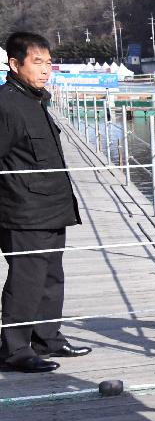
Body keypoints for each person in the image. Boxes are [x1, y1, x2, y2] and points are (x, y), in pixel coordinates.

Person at [0, 32, 91, 373]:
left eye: (48, 63)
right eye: (37, 63)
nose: (45, 70)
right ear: (14, 63)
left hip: (52, 207)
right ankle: (14, 349)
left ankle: (46, 338)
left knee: (52, 276)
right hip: (23, 211)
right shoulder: (6, 104)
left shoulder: (36, 100)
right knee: (26, 278)